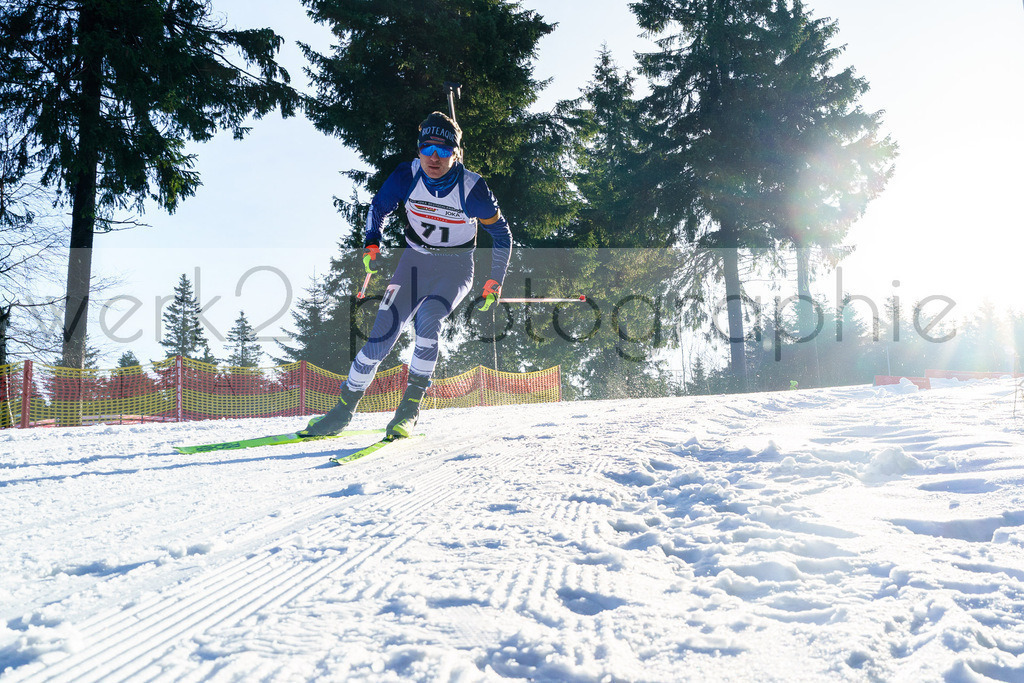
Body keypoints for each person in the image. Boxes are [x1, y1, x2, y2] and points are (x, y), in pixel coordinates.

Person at [300, 111, 512, 439]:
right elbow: (378, 207)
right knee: (380, 336)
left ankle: (409, 409)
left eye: (443, 150)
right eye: (427, 149)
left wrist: (494, 281)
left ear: (456, 153)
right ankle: (342, 411)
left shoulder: (472, 190)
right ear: (418, 149)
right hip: (413, 263)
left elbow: (502, 235)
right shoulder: (406, 175)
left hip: (455, 269)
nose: (434, 158)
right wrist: (372, 243)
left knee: (429, 319)